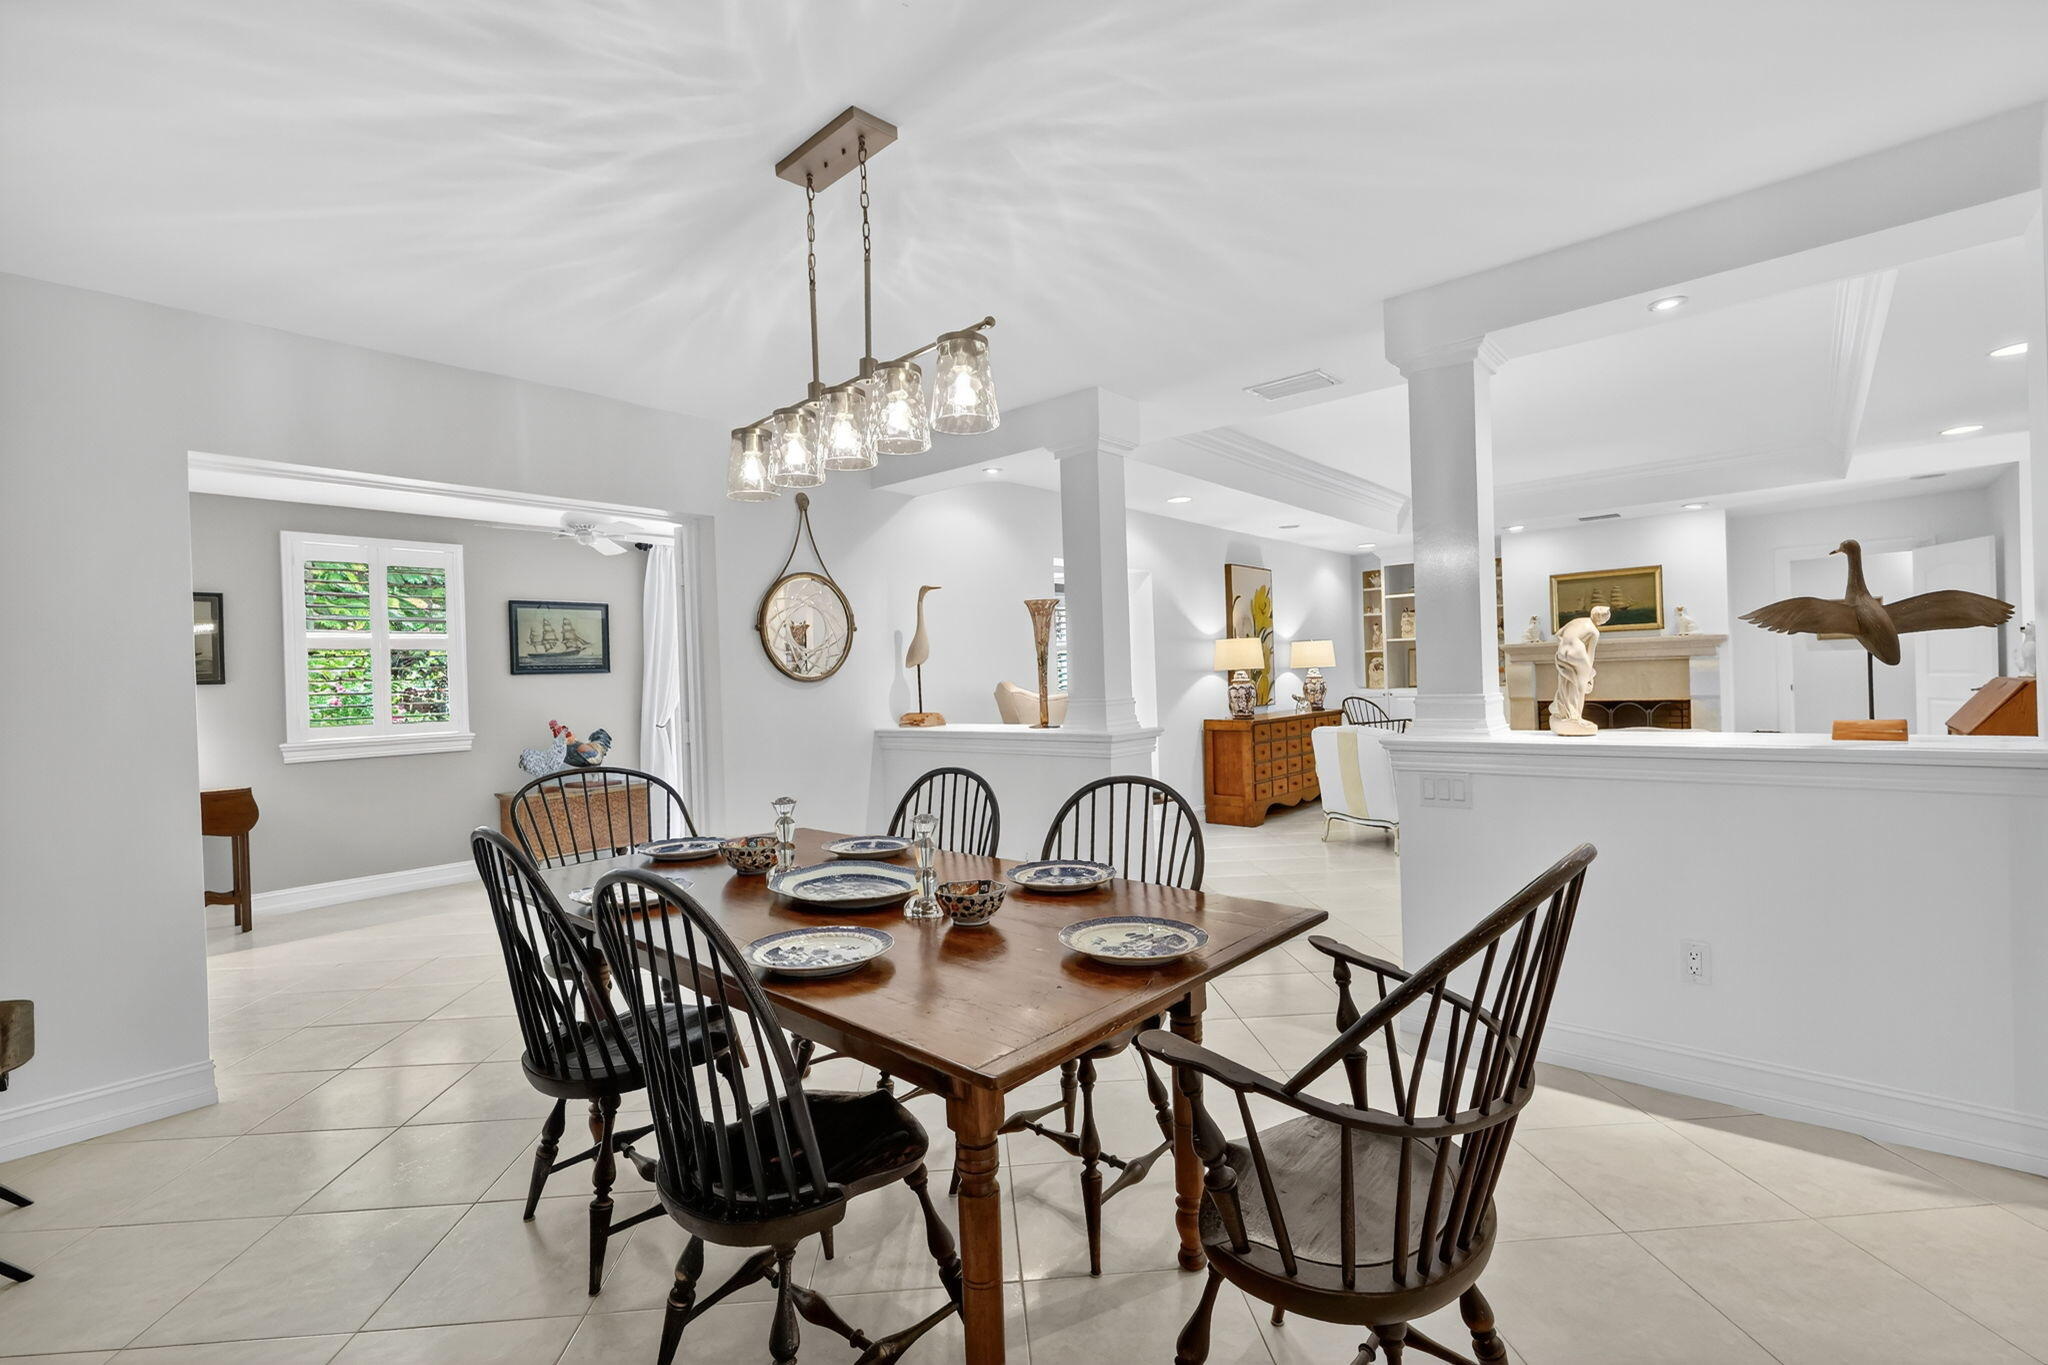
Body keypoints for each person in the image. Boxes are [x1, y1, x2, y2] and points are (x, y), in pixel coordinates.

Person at [1550, 604, 1610, 736]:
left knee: (1565, 681)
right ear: (1602, 621)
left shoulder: (1576, 621)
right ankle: (1577, 717)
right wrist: (1588, 674)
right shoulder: (1595, 632)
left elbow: (1558, 634)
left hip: (1562, 651)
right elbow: (1591, 655)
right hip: (1577, 651)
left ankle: (1564, 712)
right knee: (1581, 686)